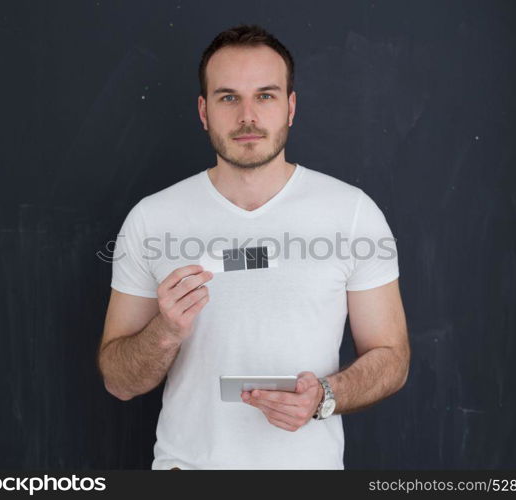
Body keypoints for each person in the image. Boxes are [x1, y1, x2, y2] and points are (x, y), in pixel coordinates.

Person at [97, 24, 409, 470]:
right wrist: (164, 330)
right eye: (228, 97)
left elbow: (392, 357)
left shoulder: (352, 214)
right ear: (203, 111)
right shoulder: (153, 220)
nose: (247, 116)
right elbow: (118, 381)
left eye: (265, 96)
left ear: (290, 107)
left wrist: (325, 397)